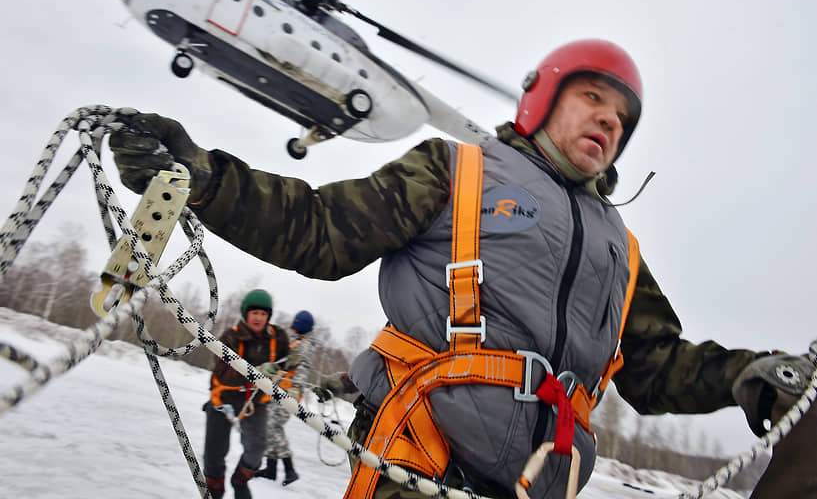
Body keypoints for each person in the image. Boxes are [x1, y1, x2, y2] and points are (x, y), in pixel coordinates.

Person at [109, 38, 815, 499]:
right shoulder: (456, 170)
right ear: (542, 99)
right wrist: (206, 179)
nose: (608, 121)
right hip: (416, 463)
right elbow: (319, 231)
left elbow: (657, 367)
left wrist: (750, 376)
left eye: (622, 117)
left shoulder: (619, 249)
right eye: (591, 98)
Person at [202, 288, 289, 499]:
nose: (258, 318)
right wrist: (254, 373)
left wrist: (283, 370)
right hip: (223, 399)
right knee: (214, 454)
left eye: (263, 314)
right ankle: (215, 490)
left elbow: (285, 362)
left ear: (268, 316)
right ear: (246, 313)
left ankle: (240, 480)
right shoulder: (230, 337)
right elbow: (222, 374)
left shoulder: (278, 338)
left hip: (255, 402)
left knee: (257, 447)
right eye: (254, 313)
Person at [256, 309, 317, 486]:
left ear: (300, 326)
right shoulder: (297, 342)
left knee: (273, 426)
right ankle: (271, 469)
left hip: (288, 393)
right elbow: (285, 362)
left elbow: (303, 368)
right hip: (280, 390)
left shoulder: (304, 345)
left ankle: (289, 469)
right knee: (269, 425)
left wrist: (296, 388)